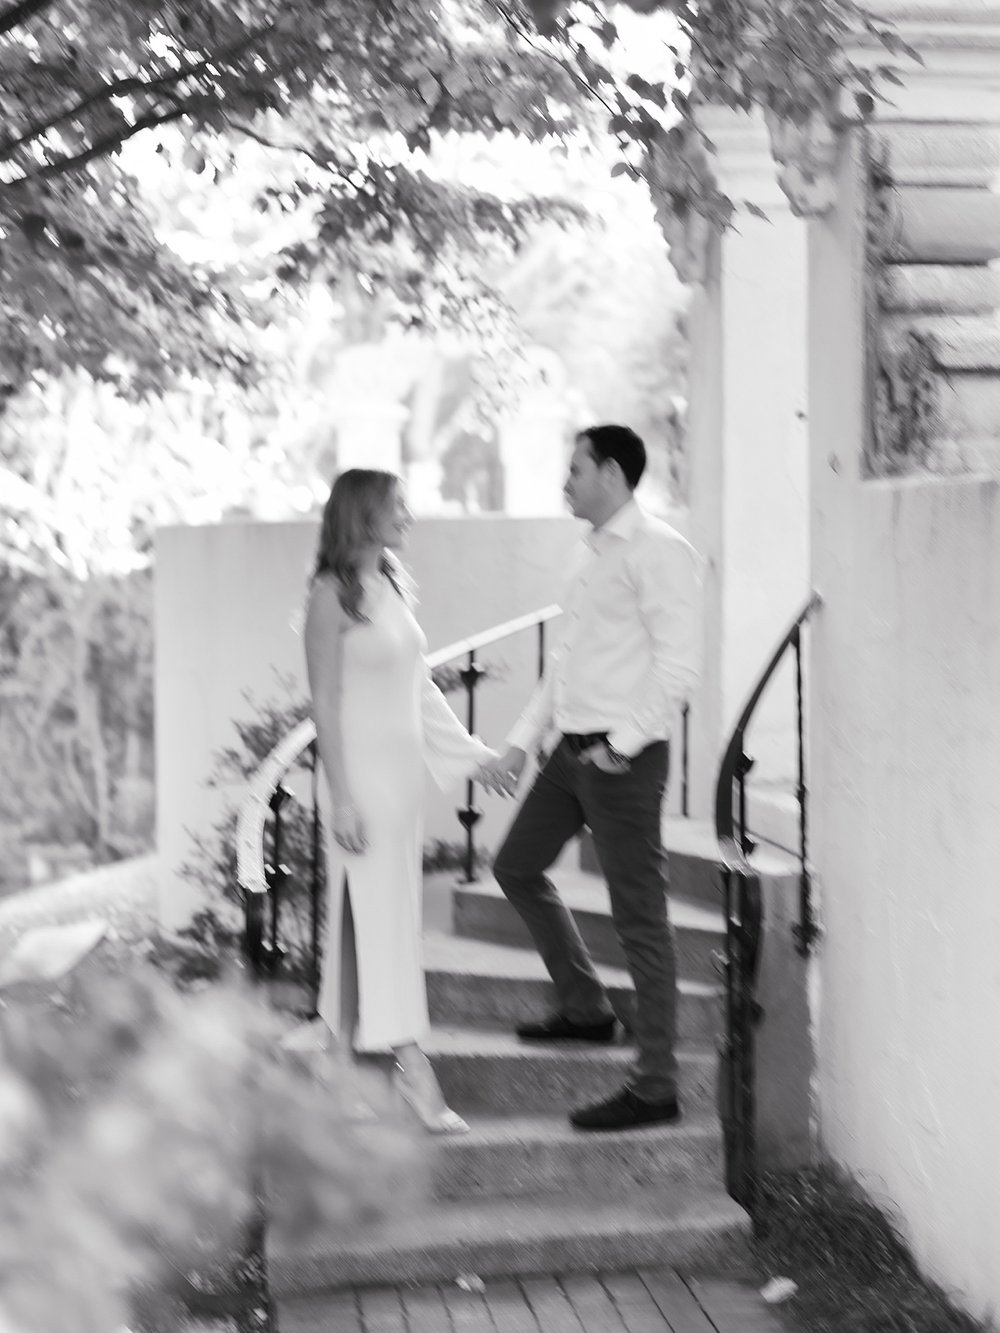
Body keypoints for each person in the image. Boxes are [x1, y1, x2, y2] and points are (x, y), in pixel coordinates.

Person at [481, 425, 703, 1132]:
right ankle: (585, 1007)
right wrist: (521, 743)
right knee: (515, 866)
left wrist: (623, 743)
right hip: (569, 757)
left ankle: (657, 1084)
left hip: (623, 759)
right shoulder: (587, 558)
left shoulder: (660, 551)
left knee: (640, 917)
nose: (565, 480)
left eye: (574, 467)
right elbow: (563, 668)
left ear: (611, 471)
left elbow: (679, 669)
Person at [301, 468, 507, 1135]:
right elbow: (324, 704)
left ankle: (336, 1066)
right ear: (362, 515)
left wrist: (478, 757)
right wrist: (341, 800)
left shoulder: (389, 586)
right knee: (376, 920)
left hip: (398, 782)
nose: (409, 515)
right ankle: (413, 1069)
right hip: (357, 781)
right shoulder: (329, 595)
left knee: (366, 923)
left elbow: (419, 689)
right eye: (397, 506)